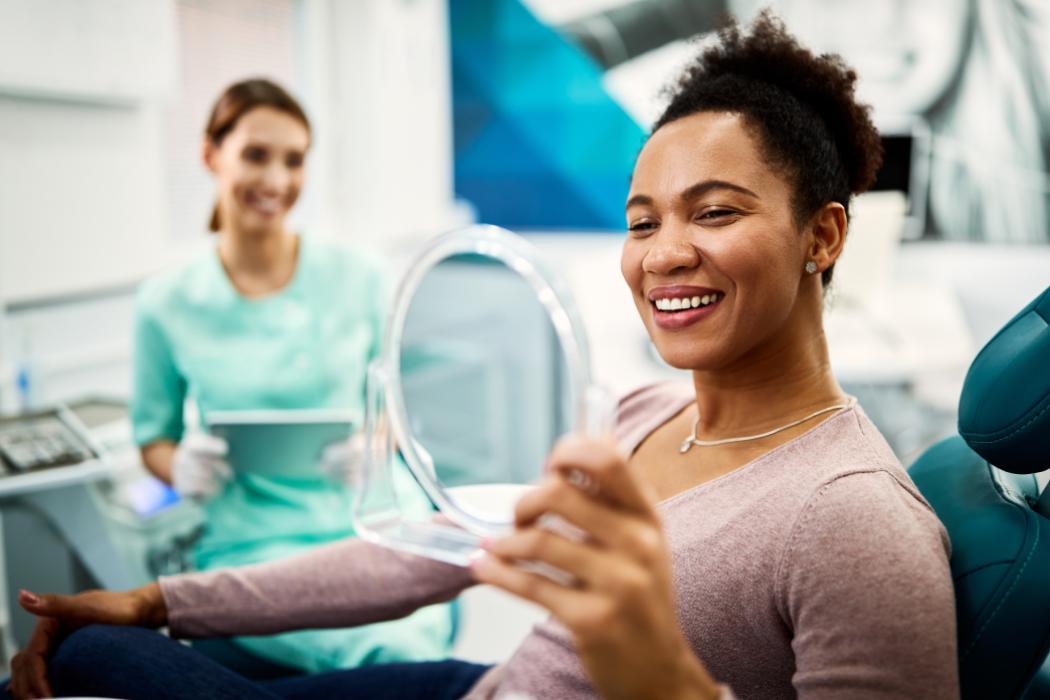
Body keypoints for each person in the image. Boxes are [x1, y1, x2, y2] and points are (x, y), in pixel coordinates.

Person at [8, 14, 958, 700]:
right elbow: (427, 560)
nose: (664, 253)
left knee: (84, 665)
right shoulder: (641, 417)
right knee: (102, 641)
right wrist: (159, 599)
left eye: (715, 211)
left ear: (823, 236)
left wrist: (660, 681)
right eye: (641, 221)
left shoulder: (855, 525)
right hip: (481, 684)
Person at [77, 78, 455, 678]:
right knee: (356, 656)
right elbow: (153, 438)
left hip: (368, 521)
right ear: (210, 154)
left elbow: (396, 405)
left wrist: (375, 449)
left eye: (294, 160)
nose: (277, 181)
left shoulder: (358, 277)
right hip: (248, 540)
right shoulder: (166, 303)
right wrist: (179, 467)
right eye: (256, 155)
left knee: (405, 650)